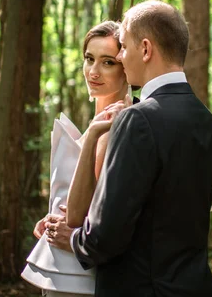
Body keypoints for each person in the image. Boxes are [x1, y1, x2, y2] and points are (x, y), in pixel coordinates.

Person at [47, 0, 212, 297]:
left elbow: (106, 237)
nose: (122, 57)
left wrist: (74, 238)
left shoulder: (138, 119)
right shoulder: (206, 120)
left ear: (145, 49)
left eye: (124, 49)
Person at [22, 21, 132, 297]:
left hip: (79, 276)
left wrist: (70, 226)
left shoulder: (115, 126)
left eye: (108, 62)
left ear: (126, 68)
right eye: (89, 59)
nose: (93, 72)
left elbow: (87, 213)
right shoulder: (100, 121)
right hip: (61, 264)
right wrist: (52, 216)